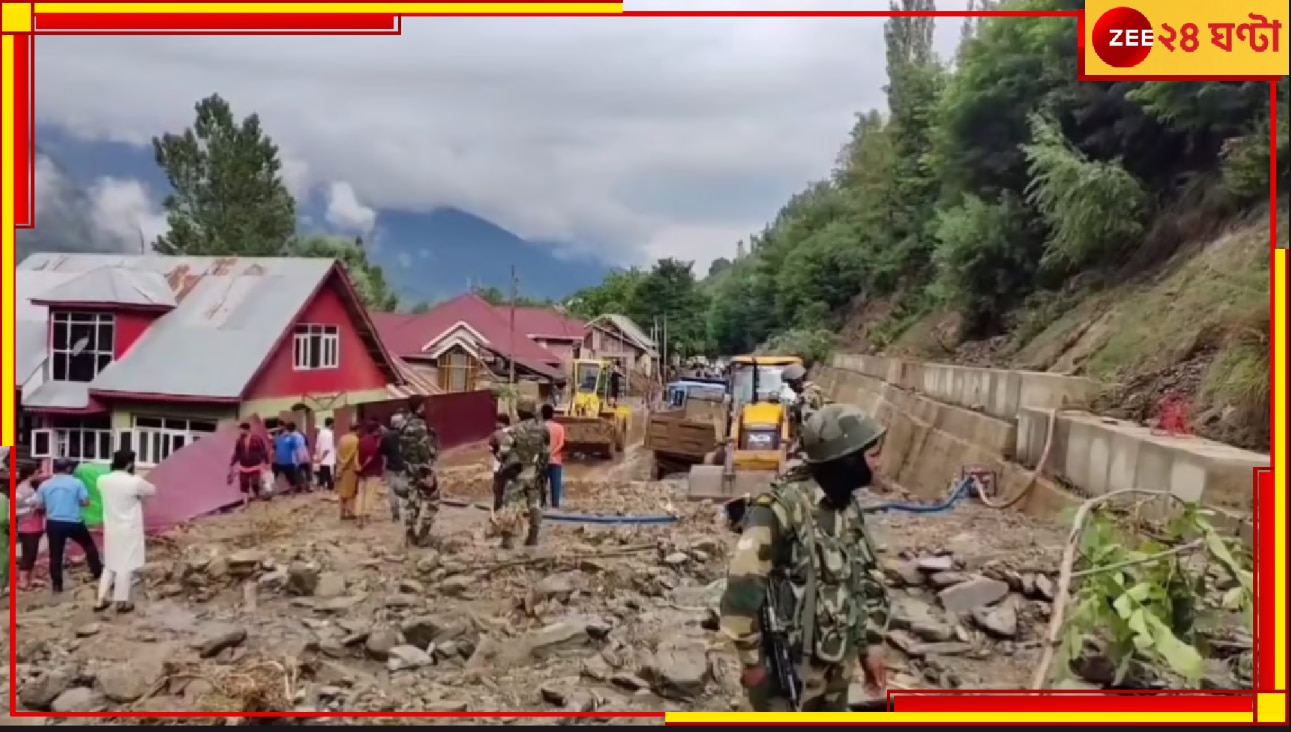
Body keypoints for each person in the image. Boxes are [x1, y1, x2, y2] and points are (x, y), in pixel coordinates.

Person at [719, 403, 890, 712]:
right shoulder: (779, 509)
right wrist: (753, 666)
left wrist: (871, 647)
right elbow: (740, 593)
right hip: (787, 675)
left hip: (836, 666)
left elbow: (867, 577)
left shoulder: (846, 507)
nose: (879, 464)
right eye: (872, 455)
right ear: (847, 460)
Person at [94, 449, 156, 613]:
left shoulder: (102, 480)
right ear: (130, 464)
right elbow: (152, 490)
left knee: (109, 564)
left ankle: (101, 599)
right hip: (128, 529)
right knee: (125, 565)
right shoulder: (134, 481)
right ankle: (121, 602)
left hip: (111, 528)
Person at [35, 459, 104, 595]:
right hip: (73, 521)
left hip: (54, 523)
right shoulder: (77, 483)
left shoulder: (45, 484)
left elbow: (40, 506)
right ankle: (97, 572)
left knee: (55, 555)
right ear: (67, 469)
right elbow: (85, 502)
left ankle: (57, 586)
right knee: (89, 546)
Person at [492, 397, 550, 549]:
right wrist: (541, 469)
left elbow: (503, 451)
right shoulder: (543, 429)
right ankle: (533, 536)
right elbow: (546, 452)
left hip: (516, 473)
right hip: (534, 472)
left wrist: (503, 459)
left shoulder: (515, 430)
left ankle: (507, 539)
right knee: (534, 504)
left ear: (519, 412)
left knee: (510, 504)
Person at [399, 396, 441, 548]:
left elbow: (402, 449)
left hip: (410, 469)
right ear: (419, 407)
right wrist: (428, 470)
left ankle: (409, 534)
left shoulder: (404, 425)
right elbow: (425, 450)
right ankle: (423, 534)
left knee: (412, 501)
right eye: (423, 405)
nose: (425, 408)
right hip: (423, 470)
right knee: (433, 501)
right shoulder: (420, 426)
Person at [14, 463, 46, 590]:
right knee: (28, 553)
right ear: (30, 475)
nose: (39, 475)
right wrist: (31, 509)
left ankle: (30, 578)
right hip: (27, 526)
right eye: (37, 473)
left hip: (34, 525)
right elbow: (16, 511)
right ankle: (22, 580)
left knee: (32, 553)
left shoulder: (30, 488)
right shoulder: (21, 490)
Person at [228, 422, 270, 507]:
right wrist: (232, 463)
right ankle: (245, 502)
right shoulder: (239, 440)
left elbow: (263, 451)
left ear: (246, 429)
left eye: (241, 429)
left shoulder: (257, 439)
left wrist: (267, 462)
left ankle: (257, 496)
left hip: (255, 465)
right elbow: (237, 453)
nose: (240, 431)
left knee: (255, 483)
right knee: (244, 484)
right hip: (244, 466)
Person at [356, 420, 385, 528]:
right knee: (369, 494)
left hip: (361, 473)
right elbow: (371, 457)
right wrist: (363, 466)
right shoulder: (375, 442)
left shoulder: (361, 440)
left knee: (360, 494)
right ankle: (366, 515)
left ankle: (358, 515)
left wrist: (358, 467)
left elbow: (356, 455)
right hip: (373, 472)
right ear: (376, 430)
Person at [540, 404, 566, 509]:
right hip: (556, 461)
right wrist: (552, 453)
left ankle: (542, 505)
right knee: (555, 486)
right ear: (552, 414)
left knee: (541, 484)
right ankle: (555, 506)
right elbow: (561, 444)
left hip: (542, 461)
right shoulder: (559, 428)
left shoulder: (540, 427)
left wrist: (545, 454)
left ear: (542, 414)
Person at [383, 413, 408, 522]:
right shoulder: (406, 435)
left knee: (392, 492)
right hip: (404, 467)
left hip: (391, 468)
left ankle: (395, 514)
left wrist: (383, 468)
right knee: (407, 489)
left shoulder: (386, 436)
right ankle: (408, 513)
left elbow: (383, 454)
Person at [335, 423, 362, 520]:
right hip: (350, 469)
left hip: (340, 468)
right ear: (357, 430)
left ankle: (342, 512)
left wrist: (341, 464)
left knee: (342, 492)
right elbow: (353, 455)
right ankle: (350, 511)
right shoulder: (356, 440)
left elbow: (337, 452)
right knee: (351, 492)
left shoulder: (342, 438)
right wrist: (346, 463)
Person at [272, 422, 305, 494]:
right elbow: (274, 448)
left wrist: (297, 459)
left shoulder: (292, 438)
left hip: (289, 461)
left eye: (286, 430)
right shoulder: (278, 438)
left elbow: (295, 449)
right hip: (279, 461)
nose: (285, 432)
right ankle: (282, 490)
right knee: (279, 476)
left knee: (291, 477)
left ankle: (293, 491)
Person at [489, 414, 512, 512]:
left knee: (498, 491)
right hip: (513, 467)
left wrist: (496, 454)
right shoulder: (516, 432)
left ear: (501, 423)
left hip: (499, 467)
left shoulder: (496, 434)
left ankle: (498, 513)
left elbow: (490, 448)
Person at [315, 417, 336, 491]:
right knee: (330, 477)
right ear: (331, 424)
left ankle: (322, 488)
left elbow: (317, 446)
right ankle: (329, 488)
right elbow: (327, 448)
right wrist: (322, 457)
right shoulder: (330, 434)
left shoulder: (320, 433)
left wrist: (319, 457)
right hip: (329, 459)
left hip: (322, 459)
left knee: (322, 477)